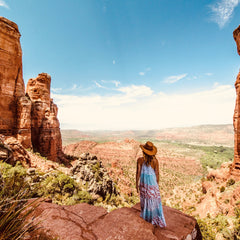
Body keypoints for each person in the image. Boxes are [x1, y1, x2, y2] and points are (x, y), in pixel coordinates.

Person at [136, 141, 166, 227]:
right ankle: (154, 218)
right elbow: (157, 173)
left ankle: (147, 217)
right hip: (153, 183)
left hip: (144, 183)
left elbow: (138, 173)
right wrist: (156, 185)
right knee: (153, 200)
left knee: (145, 199)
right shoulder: (155, 161)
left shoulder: (140, 160)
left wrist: (136, 184)